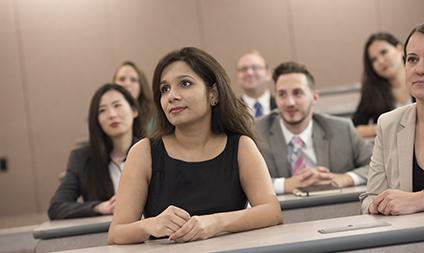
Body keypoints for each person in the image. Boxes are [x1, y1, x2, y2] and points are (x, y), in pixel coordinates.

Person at [107, 47, 282, 244]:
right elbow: (116, 234)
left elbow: (272, 211)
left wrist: (217, 222)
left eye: (185, 83)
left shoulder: (241, 146)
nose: (172, 95)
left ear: (213, 94)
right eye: (165, 89)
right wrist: (149, 225)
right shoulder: (143, 152)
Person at [360, 20, 424, 215]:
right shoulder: (388, 124)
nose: (419, 69)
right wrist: (377, 205)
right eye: (412, 59)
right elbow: (370, 198)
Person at [256, 61, 373, 195]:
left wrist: (344, 178)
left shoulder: (341, 129)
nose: (290, 102)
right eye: (282, 94)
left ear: (315, 97)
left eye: (297, 93)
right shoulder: (256, 133)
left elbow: (377, 165)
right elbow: (239, 181)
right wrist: (283, 185)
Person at [48, 84, 144, 219]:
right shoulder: (82, 158)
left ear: (134, 110)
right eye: (102, 110)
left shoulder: (152, 150)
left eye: (117, 105)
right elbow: (57, 208)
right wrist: (99, 207)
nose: (112, 114)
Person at [353, 32, 412, 138]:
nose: (380, 61)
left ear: (400, 49)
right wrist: (381, 127)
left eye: (384, 52)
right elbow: (354, 129)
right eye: (374, 60)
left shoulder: (421, 79)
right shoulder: (373, 92)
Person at [113, 61, 155, 135]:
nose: (127, 84)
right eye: (122, 79)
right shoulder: (108, 114)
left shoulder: (154, 115)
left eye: (133, 80)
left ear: (141, 86)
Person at [236, 50, 276, 118]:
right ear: (237, 76)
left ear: (268, 74)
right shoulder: (230, 110)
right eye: (243, 69)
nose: (249, 73)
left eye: (255, 68)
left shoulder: (282, 106)